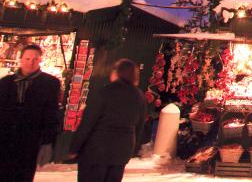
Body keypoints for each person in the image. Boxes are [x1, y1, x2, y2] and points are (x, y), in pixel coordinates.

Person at [70, 59, 147, 182]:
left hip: (96, 151)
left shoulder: (105, 92)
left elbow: (88, 122)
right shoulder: (139, 96)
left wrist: (74, 147)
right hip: (121, 153)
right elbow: (140, 125)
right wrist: (132, 149)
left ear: (117, 73)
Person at [0, 44, 62, 182]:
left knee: (23, 176)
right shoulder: (6, 82)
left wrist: (47, 142)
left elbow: (51, 114)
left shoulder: (50, 83)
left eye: (35, 59)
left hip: (29, 142)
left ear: (40, 60)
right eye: (27, 59)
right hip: (4, 141)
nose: (30, 62)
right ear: (21, 59)